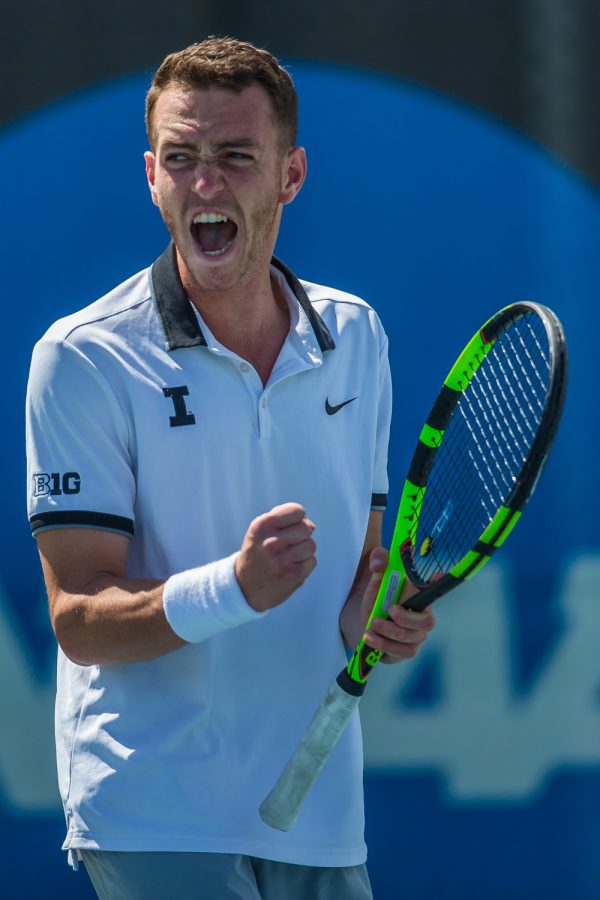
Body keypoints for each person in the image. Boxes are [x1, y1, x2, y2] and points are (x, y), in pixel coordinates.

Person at [26, 37, 435, 900]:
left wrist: (377, 617)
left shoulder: (355, 336)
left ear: (290, 176)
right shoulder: (82, 358)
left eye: (235, 158)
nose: (205, 184)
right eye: (181, 158)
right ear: (151, 175)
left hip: (319, 820)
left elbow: (363, 576)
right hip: (155, 812)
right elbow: (78, 616)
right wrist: (235, 588)